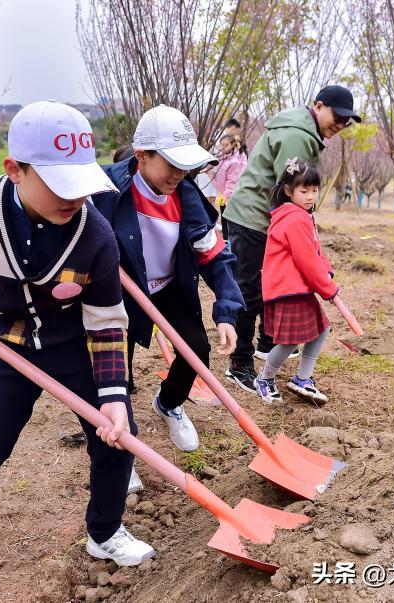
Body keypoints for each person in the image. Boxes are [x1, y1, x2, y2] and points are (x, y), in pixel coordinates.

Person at [0, 101, 154, 572]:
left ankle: (105, 532)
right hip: (3, 341)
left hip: (71, 346)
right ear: (15, 169)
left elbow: (105, 322)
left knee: (118, 438)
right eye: (61, 186)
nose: (74, 200)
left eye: (81, 186)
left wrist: (114, 395)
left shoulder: (96, 237)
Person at [93, 105, 243, 458]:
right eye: (172, 164)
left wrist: (226, 309)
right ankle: (120, 441)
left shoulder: (188, 199)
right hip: (121, 291)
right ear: (142, 156)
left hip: (170, 286)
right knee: (116, 370)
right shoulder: (105, 189)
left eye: (184, 165)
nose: (179, 174)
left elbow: (215, 255)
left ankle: (169, 403)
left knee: (196, 352)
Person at [220, 85, 360, 393]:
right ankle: (239, 364)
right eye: (337, 116)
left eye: (346, 121)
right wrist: (301, 230)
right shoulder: (298, 135)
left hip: (265, 221)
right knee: (250, 292)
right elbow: (290, 187)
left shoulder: (304, 131)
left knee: (269, 284)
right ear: (319, 106)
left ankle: (267, 343)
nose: (340, 124)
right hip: (252, 218)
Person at [252, 159, 338, 404]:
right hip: (287, 289)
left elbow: (315, 254)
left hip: (296, 288)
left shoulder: (302, 215)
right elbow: (306, 260)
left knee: (320, 330)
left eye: (314, 190)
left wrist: (327, 272)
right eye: (304, 191)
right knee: (290, 340)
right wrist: (327, 289)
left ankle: (303, 379)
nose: (310, 196)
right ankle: (265, 379)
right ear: (288, 191)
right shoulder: (294, 219)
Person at [205, 133, 247, 241]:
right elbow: (210, 164)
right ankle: (226, 240)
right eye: (221, 145)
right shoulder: (221, 157)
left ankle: (230, 242)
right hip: (222, 192)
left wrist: (226, 195)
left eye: (226, 145)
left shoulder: (234, 162)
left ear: (232, 145)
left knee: (228, 218)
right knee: (223, 218)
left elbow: (231, 182)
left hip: (229, 195)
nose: (223, 147)